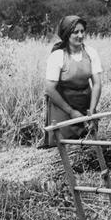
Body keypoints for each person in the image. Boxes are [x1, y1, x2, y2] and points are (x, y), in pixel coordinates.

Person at [43, 15, 103, 147]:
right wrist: (71, 112)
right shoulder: (57, 56)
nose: (80, 35)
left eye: (82, 31)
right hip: (63, 108)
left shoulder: (91, 53)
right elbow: (50, 89)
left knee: (88, 144)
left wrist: (92, 112)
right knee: (65, 145)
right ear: (67, 35)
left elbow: (97, 84)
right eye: (76, 32)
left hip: (85, 105)